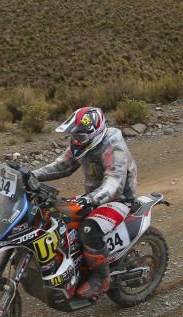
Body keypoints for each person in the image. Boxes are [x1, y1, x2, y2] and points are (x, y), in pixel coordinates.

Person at [32, 106, 138, 298]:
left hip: (118, 200)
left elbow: (114, 182)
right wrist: (31, 176)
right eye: (73, 136)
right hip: (94, 197)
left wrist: (89, 199)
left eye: (79, 136)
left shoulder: (113, 147)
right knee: (55, 217)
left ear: (94, 133)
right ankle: (70, 268)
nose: (75, 140)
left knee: (89, 230)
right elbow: (62, 166)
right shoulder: (82, 143)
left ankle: (101, 278)